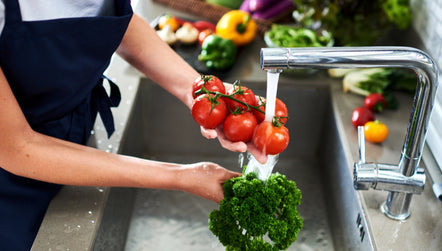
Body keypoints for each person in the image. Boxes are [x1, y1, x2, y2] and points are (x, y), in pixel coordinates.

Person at [0, 0, 267, 249]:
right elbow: (16, 146)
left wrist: (202, 94)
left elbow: (114, 22)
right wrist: (182, 176)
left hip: (75, 131)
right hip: (10, 187)